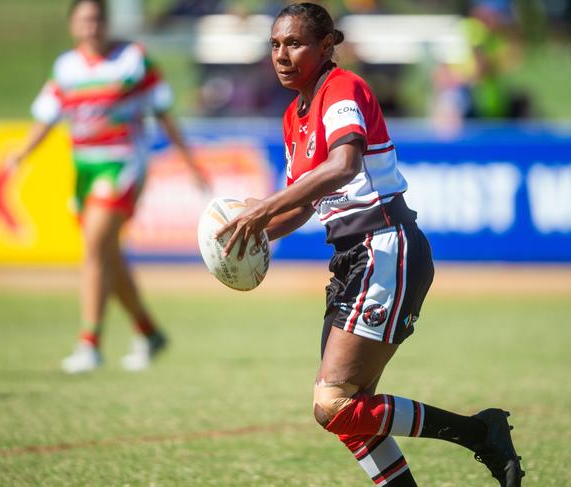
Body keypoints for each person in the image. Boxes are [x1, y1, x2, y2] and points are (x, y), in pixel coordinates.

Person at [216, 3, 524, 486]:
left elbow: (342, 164)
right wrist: (253, 234)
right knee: (351, 416)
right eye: (275, 44)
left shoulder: (341, 88)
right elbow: (305, 204)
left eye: (295, 43)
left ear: (326, 46)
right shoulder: (293, 115)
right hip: (355, 258)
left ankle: (478, 432)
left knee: (333, 404)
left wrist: (263, 206)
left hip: (383, 248)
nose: (282, 54)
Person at [8, 0, 209, 374]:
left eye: (98, 18)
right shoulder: (66, 68)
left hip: (123, 164)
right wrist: (21, 154)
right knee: (106, 255)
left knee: (94, 247)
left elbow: (163, 113)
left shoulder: (133, 59)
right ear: (73, 25)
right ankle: (149, 332)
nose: (92, 26)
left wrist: (191, 163)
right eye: (84, 19)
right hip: (83, 167)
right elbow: (46, 117)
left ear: (107, 22)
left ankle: (89, 343)